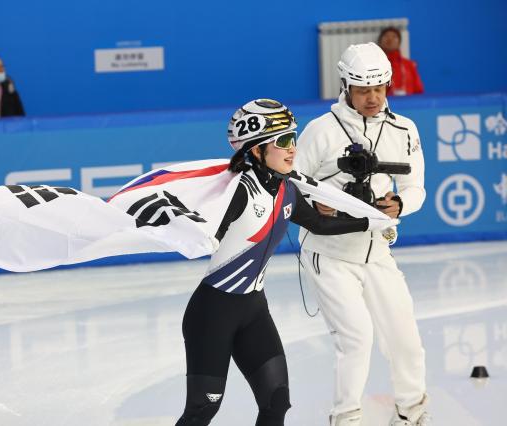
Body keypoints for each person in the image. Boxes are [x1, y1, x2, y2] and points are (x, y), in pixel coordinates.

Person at [176, 98, 397, 426]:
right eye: (282, 141)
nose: (292, 148)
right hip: (212, 313)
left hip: (253, 311)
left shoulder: (288, 188)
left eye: (293, 138)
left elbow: (319, 224)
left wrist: (371, 221)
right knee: (203, 409)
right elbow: (207, 227)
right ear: (256, 150)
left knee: (276, 402)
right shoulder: (238, 191)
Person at [293, 43, 429, 426]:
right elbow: (292, 185)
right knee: (356, 338)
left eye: (380, 89)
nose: (373, 98)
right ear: (346, 86)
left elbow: (416, 187)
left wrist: (400, 206)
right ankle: (347, 418)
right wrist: (317, 203)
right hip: (329, 253)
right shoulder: (321, 131)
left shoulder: (404, 129)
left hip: (378, 251)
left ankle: (412, 414)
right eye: (363, 89)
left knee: (405, 340)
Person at [377, 27, 424, 96]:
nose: (390, 39)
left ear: (399, 43)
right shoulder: (376, 65)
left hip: (409, 103)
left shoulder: (409, 65)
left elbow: (419, 90)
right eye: (386, 36)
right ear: (380, 42)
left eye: (394, 36)